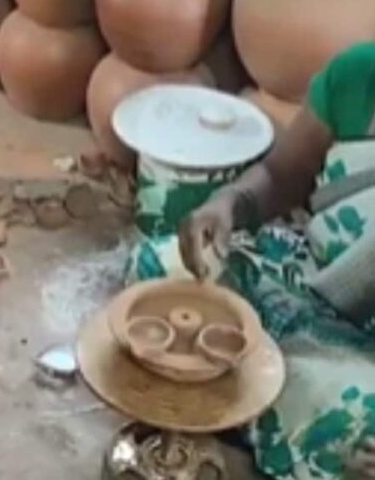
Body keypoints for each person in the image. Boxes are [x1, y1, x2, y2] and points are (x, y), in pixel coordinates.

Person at [131, 43, 375, 480]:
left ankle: (244, 405)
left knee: (350, 426)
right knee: (161, 271)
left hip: (363, 359)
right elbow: (283, 173)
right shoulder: (358, 74)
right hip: (306, 275)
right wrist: (228, 204)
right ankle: (258, 409)